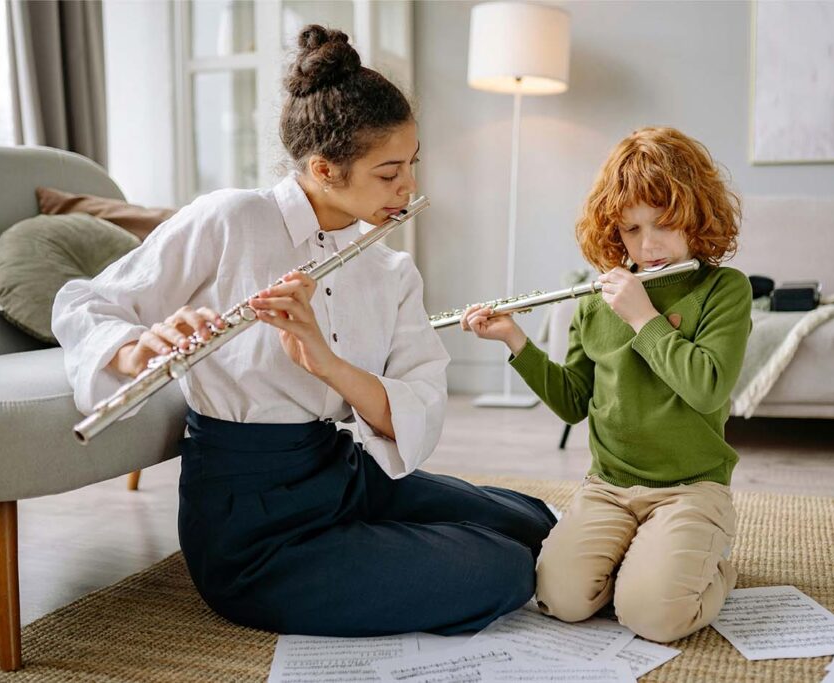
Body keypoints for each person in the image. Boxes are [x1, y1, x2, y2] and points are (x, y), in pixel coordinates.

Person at [52, 25, 555, 637]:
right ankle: (370, 554)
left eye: (411, 166)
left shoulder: (387, 265)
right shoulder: (232, 218)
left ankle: (376, 545)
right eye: (389, 172)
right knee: (503, 569)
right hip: (252, 519)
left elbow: (419, 403)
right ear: (323, 168)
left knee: (538, 524)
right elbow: (85, 302)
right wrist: (134, 349)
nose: (409, 187)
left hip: (340, 475)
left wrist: (329, 364)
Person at [461, 126, 752, 643]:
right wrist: (515, 341)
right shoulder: (595, 301)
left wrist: (645, 319)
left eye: (664, 224)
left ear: (697, 214)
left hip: (690, 488)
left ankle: (715, 565)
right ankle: (647, 559)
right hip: (610, 487)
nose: (649, 245)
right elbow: (574, 403)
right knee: (560, 599)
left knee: (654, 617)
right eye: (631, 230)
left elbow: (706, 388)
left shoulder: (723, 289)